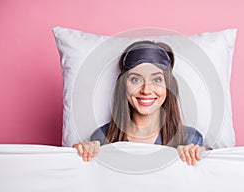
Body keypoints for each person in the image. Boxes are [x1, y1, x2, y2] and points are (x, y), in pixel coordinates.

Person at [73, 40, 208, 166]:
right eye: (136, 79)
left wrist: (205, 156)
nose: (146, 90)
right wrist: (77, 156)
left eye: (156, 79)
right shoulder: (101, 138)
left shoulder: (190, 139)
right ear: (122, 86)